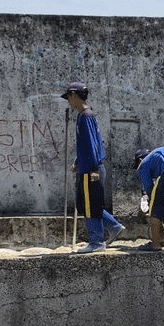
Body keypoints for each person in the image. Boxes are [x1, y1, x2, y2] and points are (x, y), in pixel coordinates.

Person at [62, 81, 124, 253]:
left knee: (90, 206)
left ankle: (96, 242)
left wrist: (94, 168)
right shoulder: (84, 116)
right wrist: (78, 161)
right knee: (85, 205)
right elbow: (91, 143)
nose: (68, 101)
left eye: (69, 97)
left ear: (74, 95)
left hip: (91, 170)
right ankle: (113, 226)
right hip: (88, 167)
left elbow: (93, 144)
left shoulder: (86, 116)